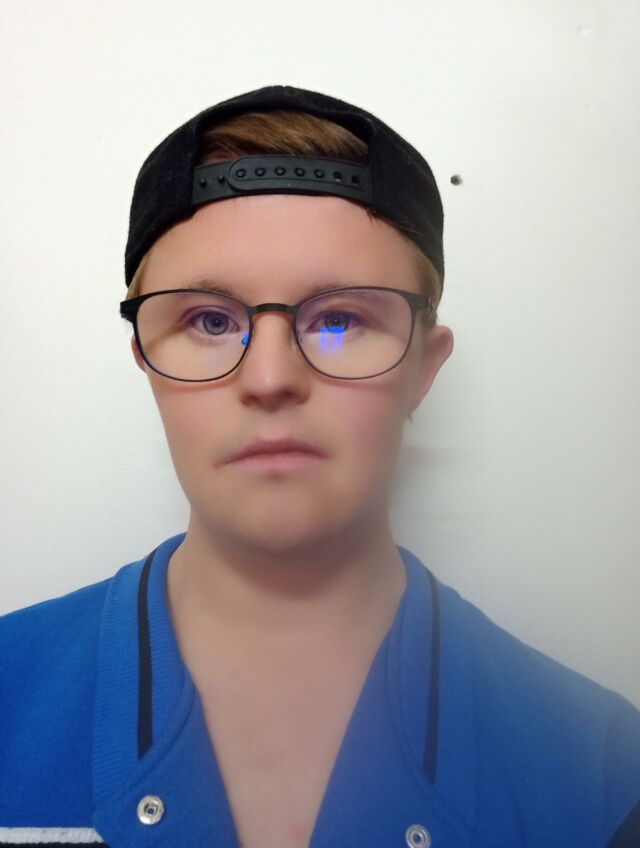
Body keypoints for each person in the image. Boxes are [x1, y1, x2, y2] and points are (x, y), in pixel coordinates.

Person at [0, 84, 638, 848]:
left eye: (339, 320)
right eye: (210, 320)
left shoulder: (601, 776)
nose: (270, 378)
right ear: (144, 357)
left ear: (424, 369)